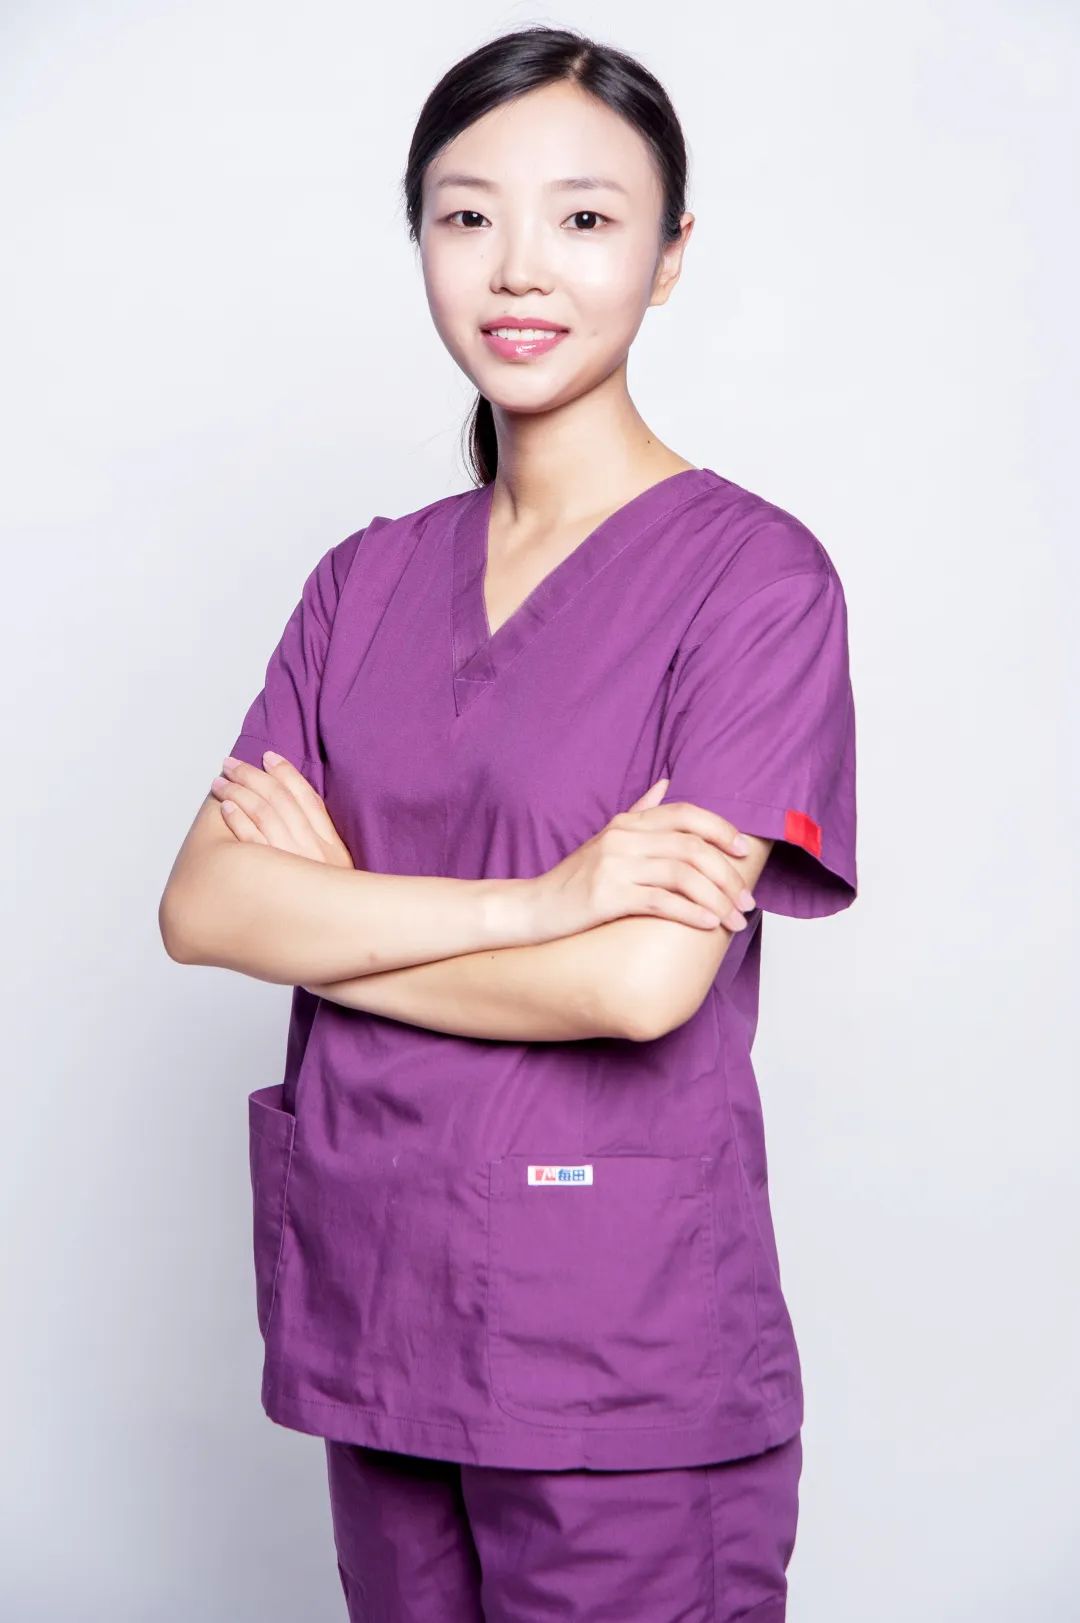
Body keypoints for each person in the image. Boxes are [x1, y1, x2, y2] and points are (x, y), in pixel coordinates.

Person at [160, 24, 858, 1622]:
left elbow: (639, 986)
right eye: (467, 215)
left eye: (586, 217)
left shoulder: (754, 583)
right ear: (417, 237)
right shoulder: (365, 581)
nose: (518, 267)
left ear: (669, 258)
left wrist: (335, 918)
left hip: (618, 1354)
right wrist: (540, 902)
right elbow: (203, 909)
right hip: (377, 1308)